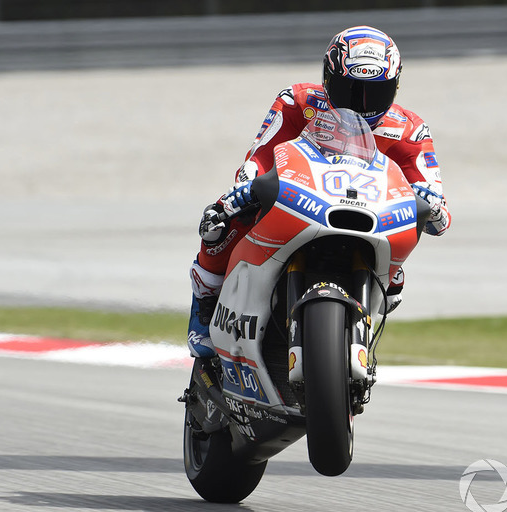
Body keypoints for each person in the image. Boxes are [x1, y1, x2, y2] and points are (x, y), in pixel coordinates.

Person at [187, 25, 451, 358]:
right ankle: (204, 305)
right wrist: (246, 184)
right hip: (299, 202)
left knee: (397, 277)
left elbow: (432, 193)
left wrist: (434, 207)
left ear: (395, 87)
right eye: (349, 89)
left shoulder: (410, 129)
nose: (361, 104)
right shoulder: (298, 101)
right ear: (328, 78)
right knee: (219, 222)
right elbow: (260, 155)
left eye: (376, 93)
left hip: (369, 216)